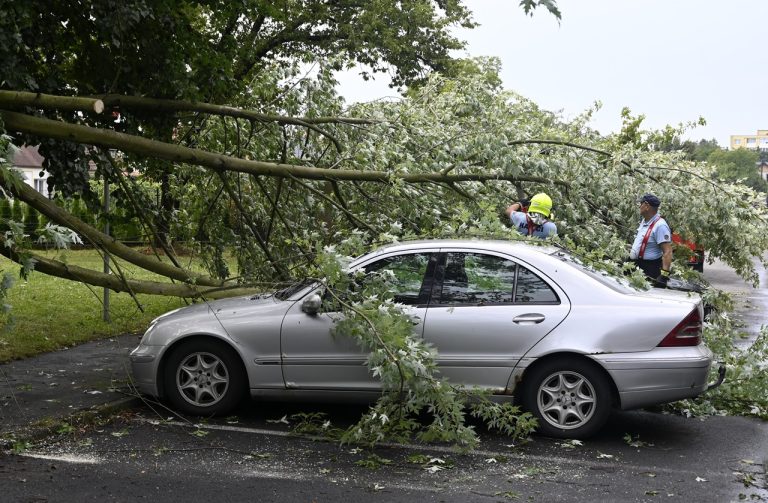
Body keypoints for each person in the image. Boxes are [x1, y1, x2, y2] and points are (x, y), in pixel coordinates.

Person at [629, 193, 672, 287]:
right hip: (638, 266)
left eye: (641, 204)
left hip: (650, 269)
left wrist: (664, 276)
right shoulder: (645, 221)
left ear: (647, 206)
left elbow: (667, 251)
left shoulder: (660, 225)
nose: (639, 206)